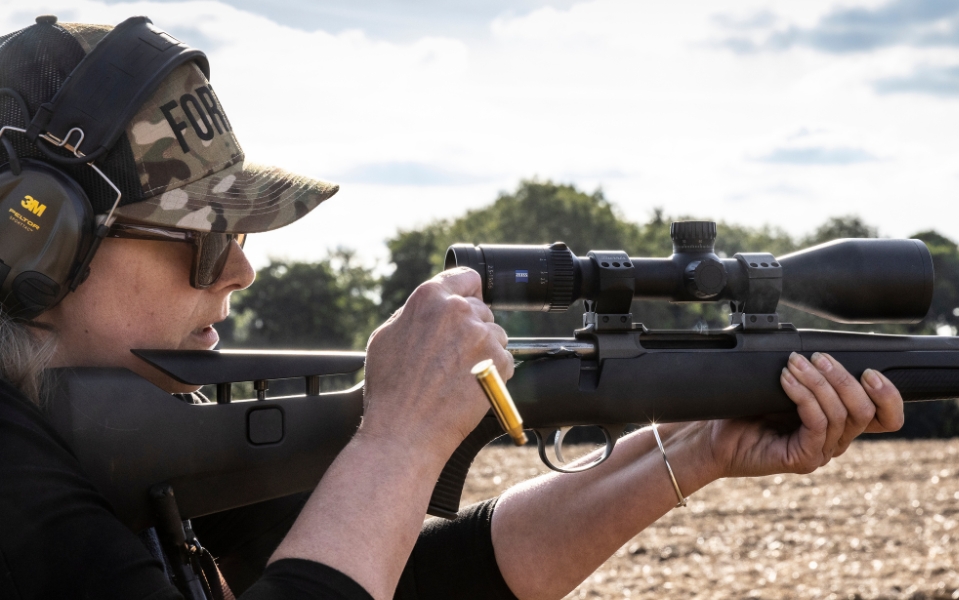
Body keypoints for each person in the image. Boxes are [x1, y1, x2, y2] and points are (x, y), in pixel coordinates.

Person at [0, 16, 905, 600]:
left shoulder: (110, 429)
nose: (240, 269)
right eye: (202, 237)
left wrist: (689, 447)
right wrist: (395, 443)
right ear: (34, 246)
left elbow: (421, 582)